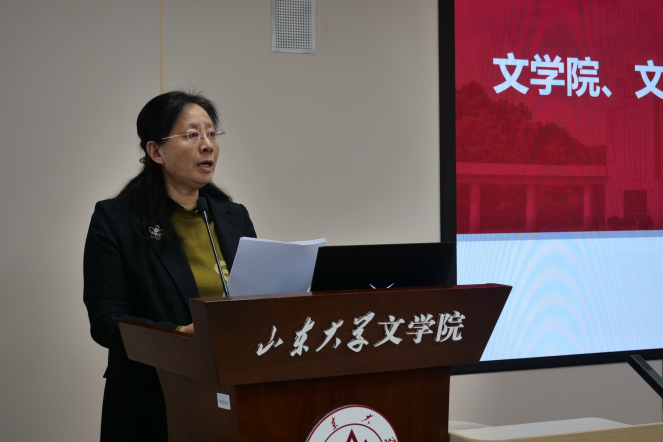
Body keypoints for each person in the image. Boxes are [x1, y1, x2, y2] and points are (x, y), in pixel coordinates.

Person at [83, 91, 256, 442]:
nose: (207, 145)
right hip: (152, 397)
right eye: (192, 135)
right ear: (156, 152)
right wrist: (177, 334)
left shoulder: (232, 216)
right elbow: (106, 321)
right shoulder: (116, 220)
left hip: (232, 391)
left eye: (211, 133)